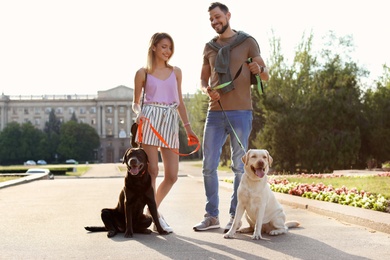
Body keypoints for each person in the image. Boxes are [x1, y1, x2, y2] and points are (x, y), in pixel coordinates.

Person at [193, 2, 269, 232]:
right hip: (215, 112)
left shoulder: (247, 42)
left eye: (218, 17)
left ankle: (234, 217)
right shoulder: (209, 47)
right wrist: (207, 89)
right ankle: (211, 215)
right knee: (208, 166)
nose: (215, 22)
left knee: (239, 166)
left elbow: (265, 75)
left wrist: (258, 70)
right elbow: (203, 80)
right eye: (211, 20)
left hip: (241, 112)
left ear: (228, 15)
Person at [132, 32, 199, 233]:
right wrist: (139, 114)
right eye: (163, 47)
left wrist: (188, 128)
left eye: (170, 47)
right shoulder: (142, 73)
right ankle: (156, 217)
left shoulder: (176, 72)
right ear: (153, 47)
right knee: (152, 172)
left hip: (170, 120)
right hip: (150, 119)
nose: (167, 51)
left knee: (172, 175)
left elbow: (179, 102)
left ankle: (152, 212)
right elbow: (135, 103)